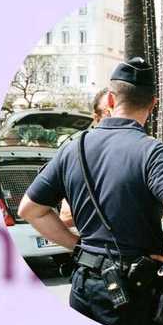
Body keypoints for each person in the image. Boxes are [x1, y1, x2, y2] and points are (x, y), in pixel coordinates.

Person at [18, 58, 163, 325]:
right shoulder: (152, 153)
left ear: (111, 99)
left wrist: (78, 247)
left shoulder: (72, 148)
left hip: (83, 286)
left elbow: (30, 209)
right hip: (132, 294)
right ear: (153, 104)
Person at [58, 87, 114, 227]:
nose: (114, 118)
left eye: (117, 109)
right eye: (108, 113)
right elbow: (66, 216)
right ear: (96, 118)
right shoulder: (78, 153)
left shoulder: (140, 150)